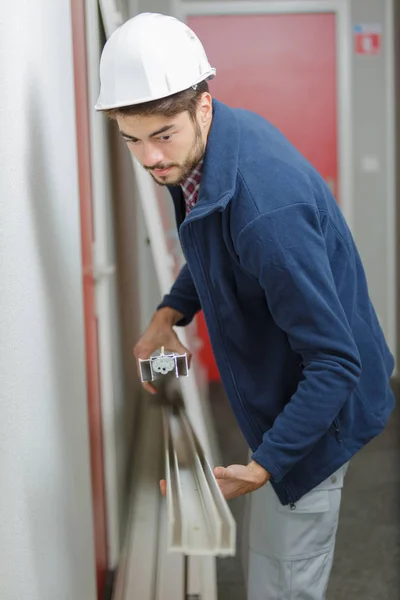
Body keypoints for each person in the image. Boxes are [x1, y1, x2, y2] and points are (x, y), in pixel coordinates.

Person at [96, 12, 395, 599]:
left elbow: (335, 364)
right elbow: (213, 244)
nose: (150, 158)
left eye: (163, 135)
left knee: (282, 583)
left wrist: (265, 465)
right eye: (133, 139)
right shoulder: (208, 156)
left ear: (201, 107)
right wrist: (168, 314)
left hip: (320, 412)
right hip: (291, 390)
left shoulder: (266, 213)